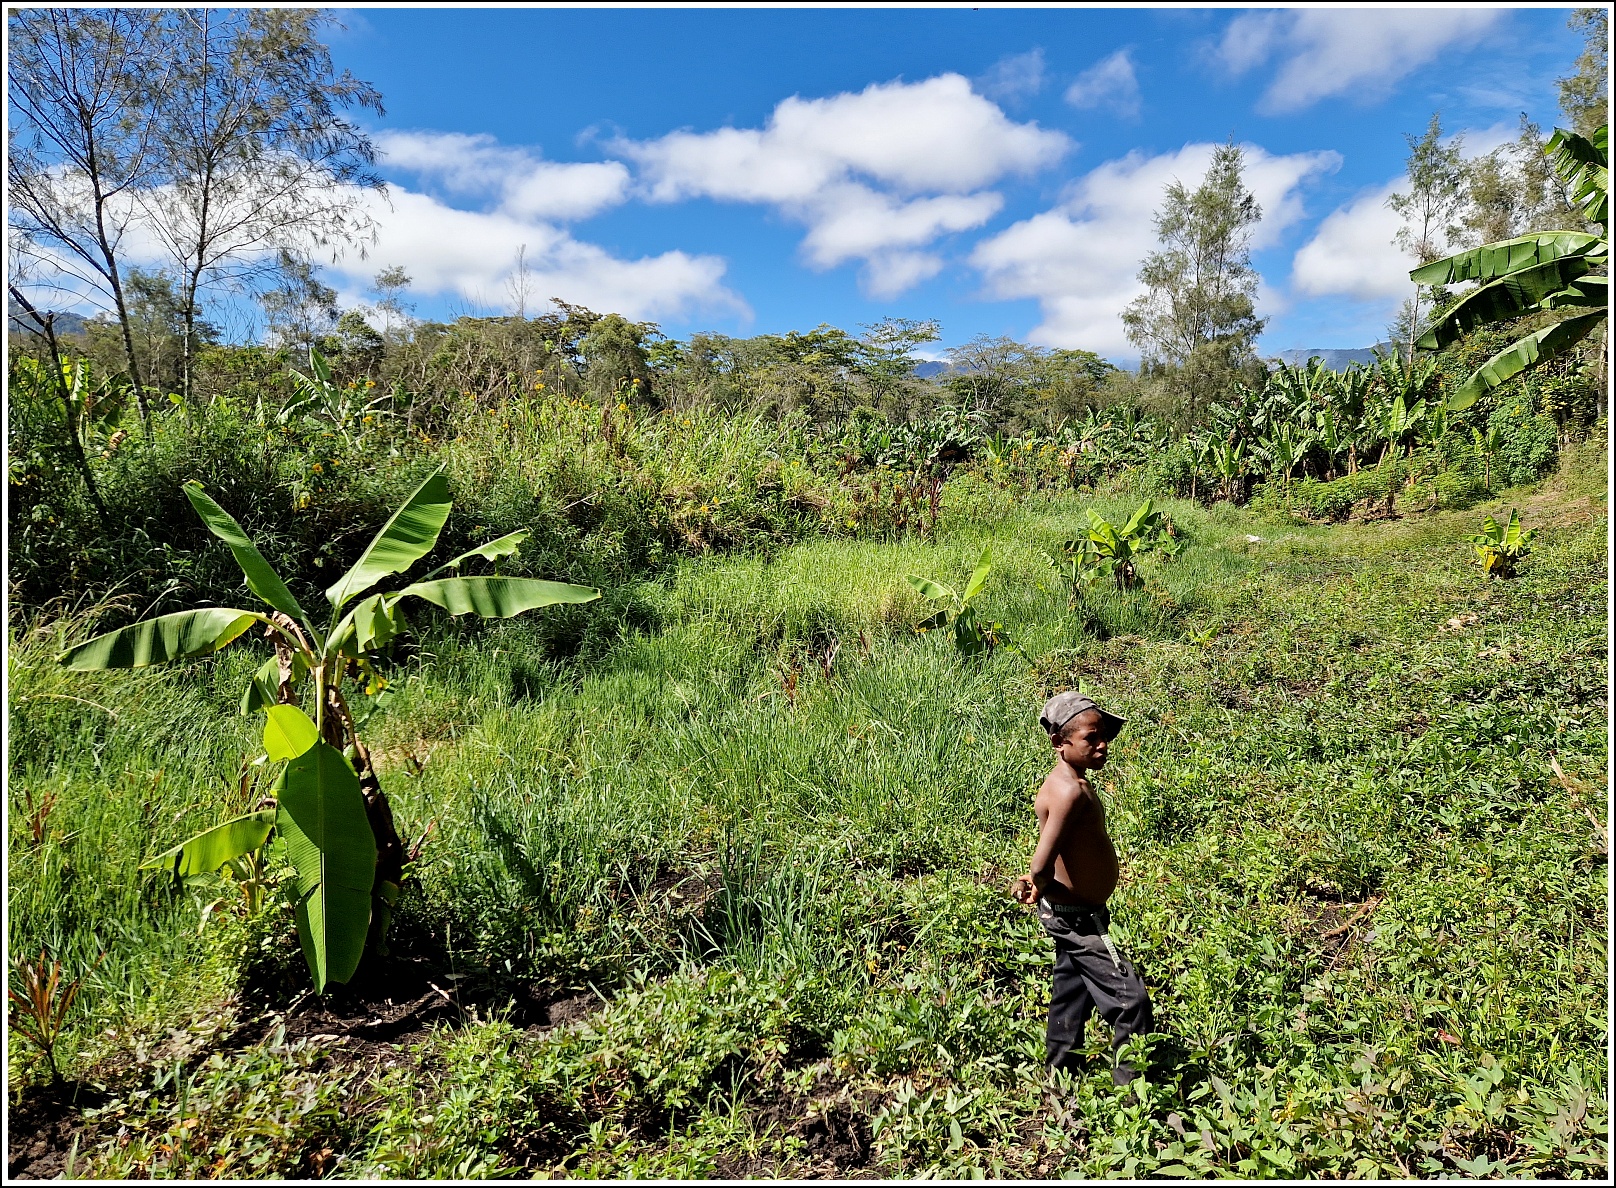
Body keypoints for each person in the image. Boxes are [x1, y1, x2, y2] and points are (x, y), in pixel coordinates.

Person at [1011, 691, 1154, 1085]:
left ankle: (1059, 1073)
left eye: (1104, 734)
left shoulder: (1071, 780)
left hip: (1072, 914)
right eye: (1091, 737)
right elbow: (1042, 859)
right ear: (1060, 742)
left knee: (1072, 990)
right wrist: (1034, 882)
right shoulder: (1070, 792)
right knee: (1131, 1001)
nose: (1103, 744)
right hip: (1079, 921)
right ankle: (1131, 1095)